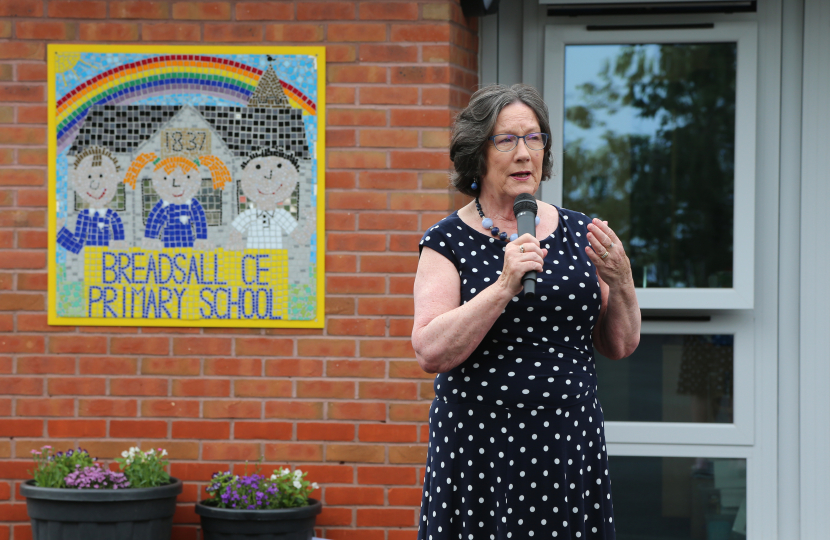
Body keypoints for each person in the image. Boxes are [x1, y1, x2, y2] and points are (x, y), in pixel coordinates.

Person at [412, 84, 641, 539]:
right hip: (481, 447)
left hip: (566, 440)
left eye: (534, 138)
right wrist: (502, 286)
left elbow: (619, 344)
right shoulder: (448, 240)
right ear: (478, 153)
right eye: (507, 140)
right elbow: (430, 351)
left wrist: (622, 279)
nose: (524, 153)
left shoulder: (581, 231)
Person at [123, 153, 231, 250]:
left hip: (188, 240)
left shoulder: (192, 205)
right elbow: (154, 219)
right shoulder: (163, 206)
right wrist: (151, 238)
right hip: (167, 240)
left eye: (187, 177)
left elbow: (199, 220)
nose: (176, 184)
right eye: (166, 178)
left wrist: (201, 239)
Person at [227, 146, 316, 251]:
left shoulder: (282, 216)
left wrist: (311, 221)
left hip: (276, 262)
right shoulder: (248, 215)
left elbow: (301, 238)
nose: (268, 176)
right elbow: (233, 235)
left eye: (278, 166)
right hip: (252, 261)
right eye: (258, 167)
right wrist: (236, 243)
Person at [56, 146, 128, 254]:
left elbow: (120, 243)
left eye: (101, 176)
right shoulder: (83, 216)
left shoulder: (113, 217)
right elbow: (77, 246)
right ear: (77, 183)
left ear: (115, 179)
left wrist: (118, 246)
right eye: (89, 177)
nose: (95, 184)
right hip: (90, 262)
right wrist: (60, 232)